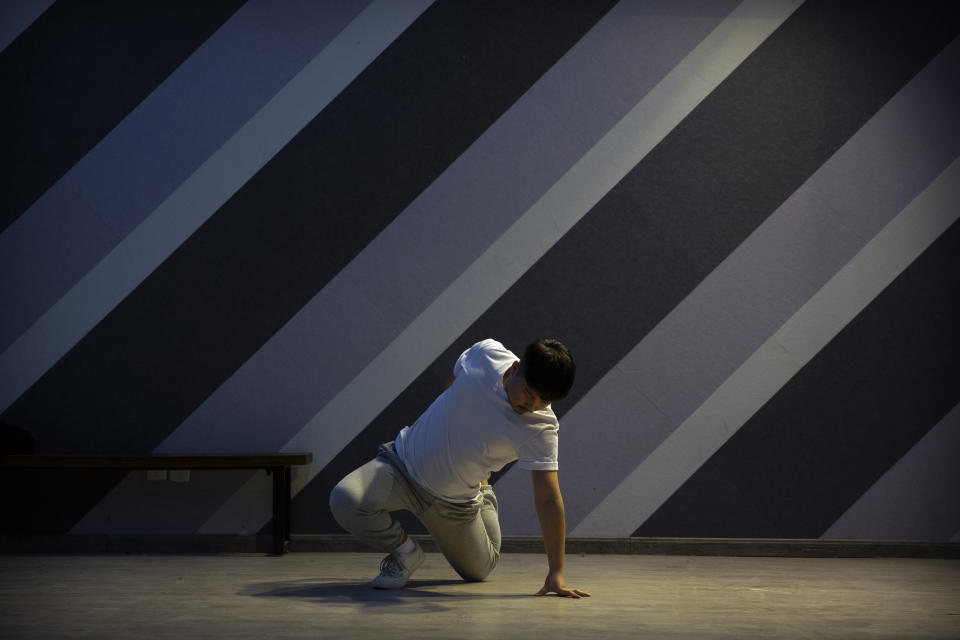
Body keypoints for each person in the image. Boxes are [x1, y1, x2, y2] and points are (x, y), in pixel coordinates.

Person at [329, 338, 590, 598]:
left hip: (454, 504)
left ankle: (483, 494)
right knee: (345, 499)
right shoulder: (486, 354)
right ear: (513, 370)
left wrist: (556, 571)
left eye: (541, 403)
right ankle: (406, 554)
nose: (529, 407)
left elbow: (548, 498)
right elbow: (454, 384)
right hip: (401, 465)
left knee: (479, 571)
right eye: (529, 395)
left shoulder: (541, 428)